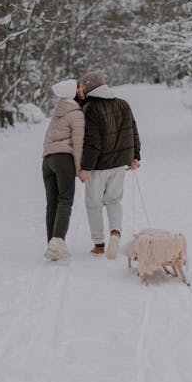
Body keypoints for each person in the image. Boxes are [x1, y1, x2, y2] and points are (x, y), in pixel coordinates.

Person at [77, 70, 140, 258]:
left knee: (93, 204)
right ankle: (115, 233)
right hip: (120, 164)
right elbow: (133, 131)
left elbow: (92, 141)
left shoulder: (91, 109)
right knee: (114, 201)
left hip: (98, 166)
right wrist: (135, 156)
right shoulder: (122, 104)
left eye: (83, 86)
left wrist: (86, 167)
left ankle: (98, 244)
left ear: (89, 87)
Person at [42, 79, 85, 261]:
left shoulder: (58, 111)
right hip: (63, 159)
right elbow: (78, 144)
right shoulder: (76, 114)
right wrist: (79, 169)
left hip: (47, 161)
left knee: (52, 203)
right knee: (65, 200)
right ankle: (57, 242)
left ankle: (52, 243)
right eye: (79, 87)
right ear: (73, 93)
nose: (81, 89)